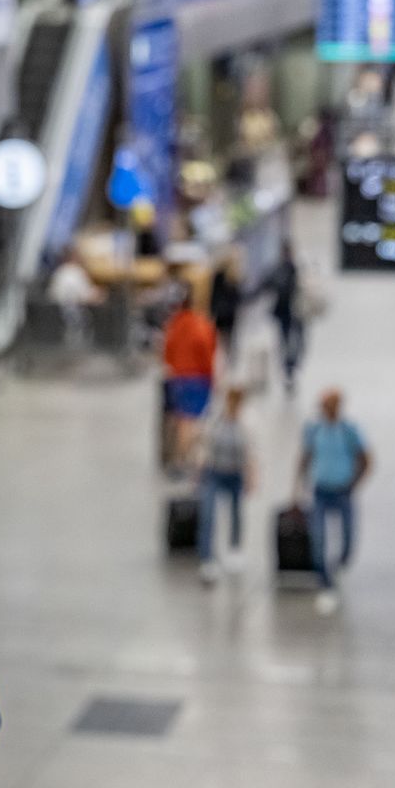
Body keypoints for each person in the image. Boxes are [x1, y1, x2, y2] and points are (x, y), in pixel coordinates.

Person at [297, 387, 371, 614]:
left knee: (347, 541)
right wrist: (298, 487)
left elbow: (366, 458)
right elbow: (305, 457)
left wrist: (354, 483)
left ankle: (339, 565)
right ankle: (325, 584)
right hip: (320, 492)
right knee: (318, 540)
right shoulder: (314, 429)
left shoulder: (349, 431)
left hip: (342, 491)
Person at [195, 385, 253, 583]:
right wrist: (199, 467)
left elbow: (252, 449)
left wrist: (251, 475)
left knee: (236, 513)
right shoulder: (214, 417)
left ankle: (235, 549)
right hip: (214, 471)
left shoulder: (247, 421)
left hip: (235, 473)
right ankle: (207, 558)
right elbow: (203, 440)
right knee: (208, 515)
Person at [161, 291, 218, 474]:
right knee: (191, 421)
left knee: (180, 420)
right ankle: (187, 461)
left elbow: (166, 350)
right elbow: (206, 351)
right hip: (197, 377)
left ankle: (179, 458)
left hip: (177, 377)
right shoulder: (200, 325)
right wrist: (211, 376)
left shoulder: (175, 324)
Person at [266, 239, 310, 393]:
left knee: (294, 343)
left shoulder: (295, 269)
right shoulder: (282, 268)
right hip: (287, 314)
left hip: (296, 313)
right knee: (289, 343)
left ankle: (291, 368)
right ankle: (289, 369)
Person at [46, 250, 100, 354]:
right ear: (74, 258)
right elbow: (87, 297)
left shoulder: (59, 272)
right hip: (73, 316)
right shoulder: (75, 272)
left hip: (55, 317)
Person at [208, 250, 244, 354]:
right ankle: (227, 359)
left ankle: (224, 359)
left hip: (222, 312)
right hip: (228, 312)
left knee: (222, 340)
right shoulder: (232, 276)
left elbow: (213, 295)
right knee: (228, 339)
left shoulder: (225, 276)